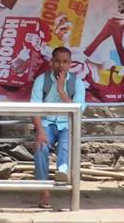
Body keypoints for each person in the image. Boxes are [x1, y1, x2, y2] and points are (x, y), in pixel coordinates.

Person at [31, 46, 86, 209]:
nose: (61, 66)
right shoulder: (42, 80)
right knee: (40, 147)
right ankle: (44, 190)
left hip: (67, 124)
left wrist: (62, 91)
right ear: (51, 62)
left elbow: (78, 110)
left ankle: (62, 171)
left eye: (65, 62)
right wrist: (40, 131)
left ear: (70, 64)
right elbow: (35, 108)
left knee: (66, 145)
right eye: (57, 61)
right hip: (46, 123)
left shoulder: (77, 82)